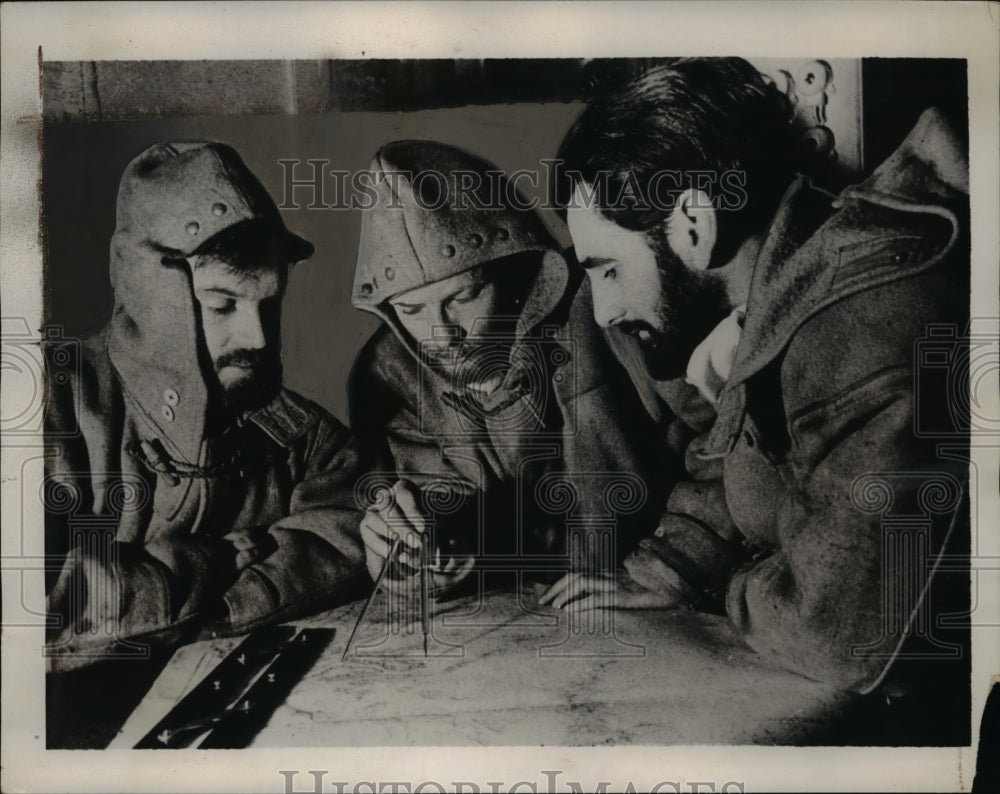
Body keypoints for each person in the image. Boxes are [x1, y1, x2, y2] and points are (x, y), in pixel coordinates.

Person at [544, 57, 970, 696]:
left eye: (608, 269)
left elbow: (834, 635)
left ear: (694, 223)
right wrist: (673, 570)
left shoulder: (858, 326)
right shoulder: (787, 285)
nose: (604, 311)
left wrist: (723, 588)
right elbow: (743, 457)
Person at [45, 142, 368, 666]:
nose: (259, 338)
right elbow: (38, 607)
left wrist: (206, 614)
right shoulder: (46, 404)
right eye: (222, 305)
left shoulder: (295, 433)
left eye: (269, 304)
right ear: (153, 294)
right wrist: (208, 564)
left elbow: (356, 521)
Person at [349, 140, 672, 595]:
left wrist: (667, 574)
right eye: (410, 309)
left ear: (514, 267)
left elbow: (721, 452)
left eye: (463, 298)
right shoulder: (390, 376)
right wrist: (412, 549)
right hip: (531, 622)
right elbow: (457, 525)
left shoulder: (607, 305)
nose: (441, 336)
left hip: (667, 604)